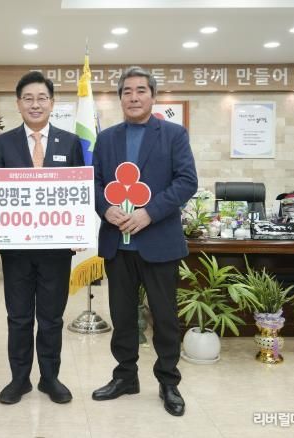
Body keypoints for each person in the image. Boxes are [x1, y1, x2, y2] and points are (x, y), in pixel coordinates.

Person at [91, 66, 198, 416]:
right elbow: (93, 183)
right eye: (127, 91)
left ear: (153, 96)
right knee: (122, 317)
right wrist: (106, 208)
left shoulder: (173, 134)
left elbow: (186, 181)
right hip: (117, 244)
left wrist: (149, 213)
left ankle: (168, 382)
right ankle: (125, 377)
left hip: (158, 243)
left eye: (141, 90)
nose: (134, 97)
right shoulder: (106, 139)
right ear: (120, 98)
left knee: (164, 318)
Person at [0, 71, 84, 404]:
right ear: (18, 104)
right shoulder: (4, 143)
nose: (35, 104)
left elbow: (79, 190)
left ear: (52, 103)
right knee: (18, 318)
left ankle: (49, 378)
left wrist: (78, 229)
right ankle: (19, 380)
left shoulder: (70, 142)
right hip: (16, 250)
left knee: (51, 319)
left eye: (42, 98)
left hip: (56, 250)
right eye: (28, 98)